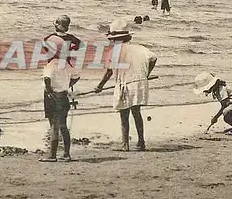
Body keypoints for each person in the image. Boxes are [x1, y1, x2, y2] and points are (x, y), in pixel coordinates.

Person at [94, 18, 157, 151]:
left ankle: (125, 144)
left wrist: (100, 86)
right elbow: (153, 58)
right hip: (139, 83)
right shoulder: (140, 48)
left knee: (124, 115)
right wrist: (146, 73)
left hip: (125, 84)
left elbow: (109, 71)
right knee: (136, 113)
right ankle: (141, 142)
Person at [39, 35, 80, 162]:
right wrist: (68, 84)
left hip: (52, 97)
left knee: (53, 126)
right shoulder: (65, 64)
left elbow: (47, 79)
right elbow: (76, 76)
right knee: (63, 126)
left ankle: (52, 155)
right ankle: (67, 154)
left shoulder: (51, 65)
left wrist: (50, 91)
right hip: (63, 96)